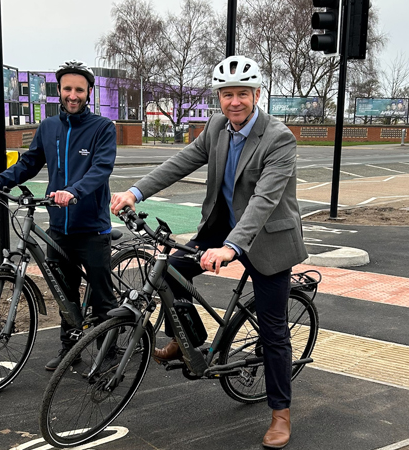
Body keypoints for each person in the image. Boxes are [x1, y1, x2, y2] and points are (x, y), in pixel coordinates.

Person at [110, 55, 307, 449]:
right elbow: (180, 162)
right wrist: (135, 191)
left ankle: (280, 414)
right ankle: (190, 342)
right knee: (169, 272)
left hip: (267, 239)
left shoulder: (278, 138)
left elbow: (265, 201)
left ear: (256, 94)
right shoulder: (217, 127)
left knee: (273, 331)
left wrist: (233, 247)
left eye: (242, 94)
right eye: (227, 94)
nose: (234, 102)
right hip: (220, 229)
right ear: (219, 98)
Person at [0, 60, 117, 371]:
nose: (72, 94)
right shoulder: (49, 127)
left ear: (88, 92)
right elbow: (29, 162)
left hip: (92, 226)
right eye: (67, 88)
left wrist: (75, 191)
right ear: (59, 92)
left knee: (102, 298)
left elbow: (101, 170)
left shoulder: (102, 128)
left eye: (79, 89)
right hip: (59, 226)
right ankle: (71, 350)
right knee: (64, 292)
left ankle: (108, 354)